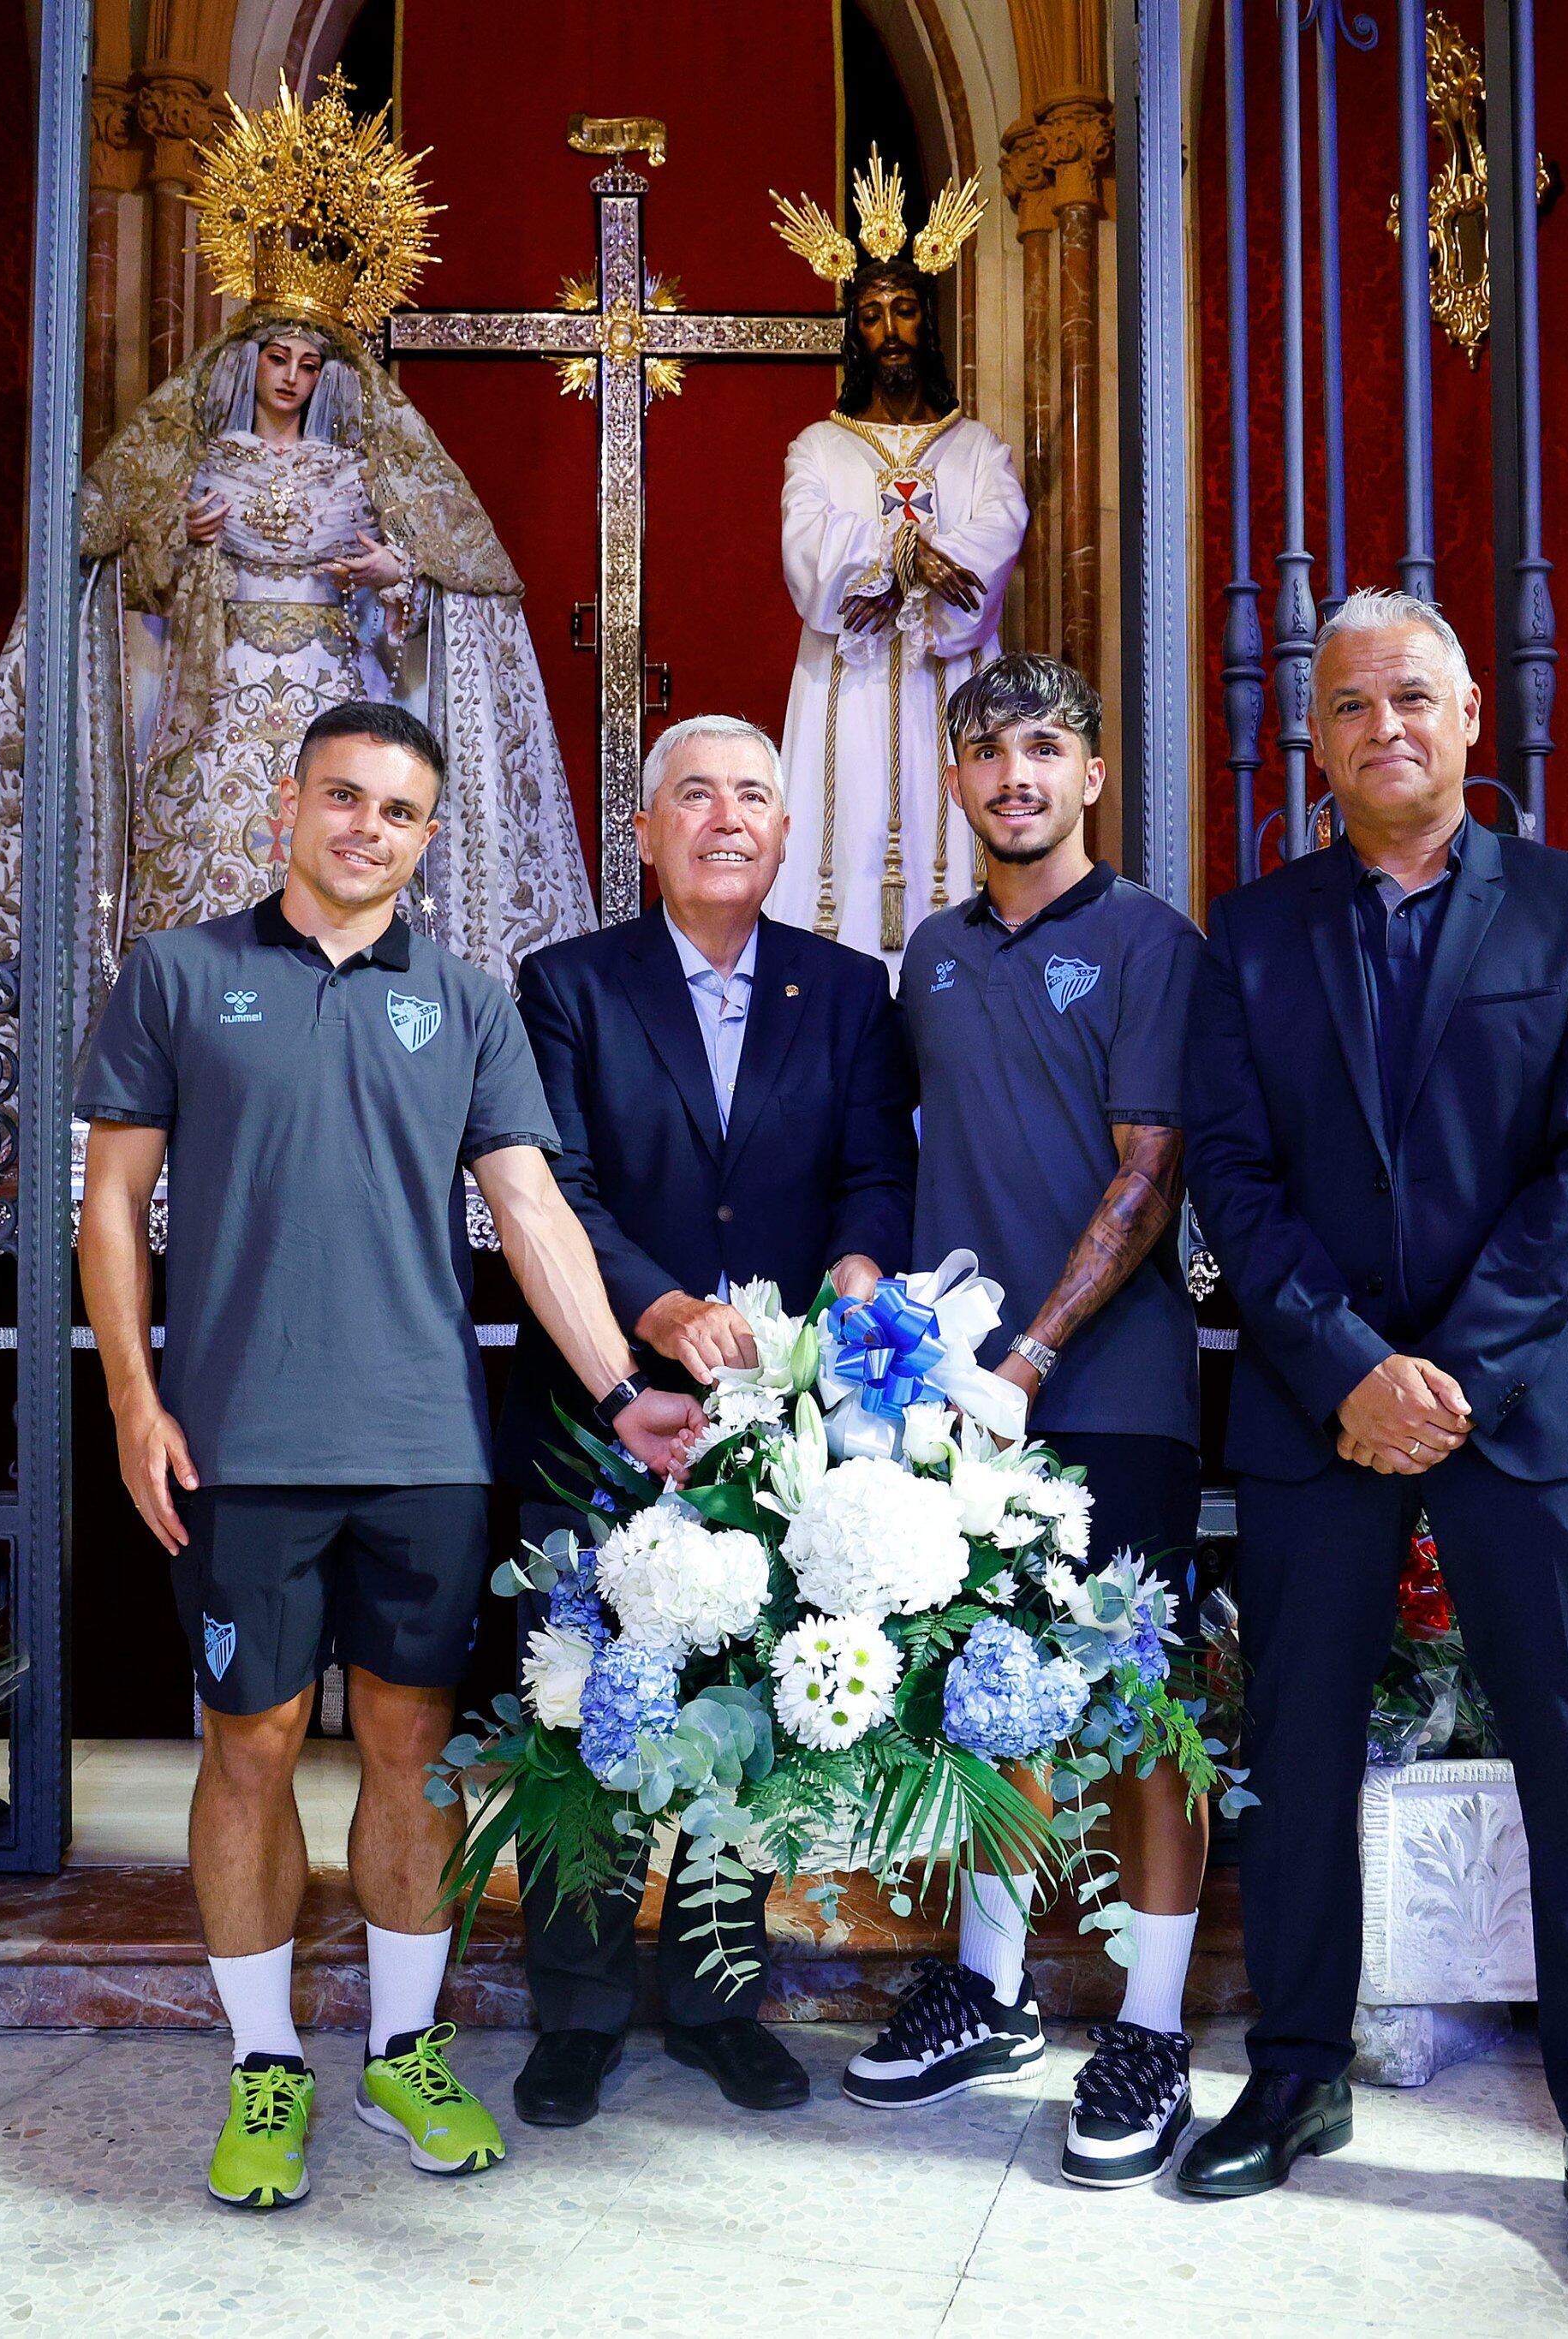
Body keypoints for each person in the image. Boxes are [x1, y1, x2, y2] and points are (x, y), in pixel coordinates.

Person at [74, 700, 703, 2214]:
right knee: (253, 1747)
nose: (368, 828)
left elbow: (534, 1213)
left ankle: (404, 2048)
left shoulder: (470, 1003)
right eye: (344, 798)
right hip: (237, 1446)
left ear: (427, 837)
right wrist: (131, 1402)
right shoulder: (179, 974)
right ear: (289, 803)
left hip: (425, 1443)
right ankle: (266, 2060)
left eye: (400, 811)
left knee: (416, 1755)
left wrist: (622, 1387)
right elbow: (110, 1208)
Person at [1177, 589, 1568, 2292]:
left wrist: (1441, 1372)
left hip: (1523, 1403)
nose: (1381, 724)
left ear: (1470, 724)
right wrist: (1345, 1372)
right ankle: (1296, 2077)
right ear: (1310, 744)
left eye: (1412, 697)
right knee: (1296, 1752)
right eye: (1346, 705)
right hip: (1319, 1412)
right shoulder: (1244, 933)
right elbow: (1229, 1180)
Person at [0, 76, 587, 1172]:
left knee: (343, 876)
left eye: (311, 362)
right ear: (245, 361)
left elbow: (441, 593)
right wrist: (174, 546)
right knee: (202, 887)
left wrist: (396, 573)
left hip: (333, 691)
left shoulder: (366, 468)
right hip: (215, 705)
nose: (293, 376)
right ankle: (169, 1111)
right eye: (276, 357)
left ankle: (344, 1107)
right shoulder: (191, 457)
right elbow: (111, 577)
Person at [498, 713, 918, 2128]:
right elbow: (548, 1185)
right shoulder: (563, 984)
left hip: (770, 1423)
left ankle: (718, 1996)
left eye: (754, 796)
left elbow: (874, 1175)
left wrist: (848, 1293)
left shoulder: (851, 991)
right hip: (600, 1403)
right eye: (695, 795)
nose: (726, 818)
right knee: (581, 1704)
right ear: (644, 829)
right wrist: (659, 1314)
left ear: (786, 832)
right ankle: (576, 2006)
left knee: (746, 1707)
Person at [840, 653, 1212, 2194]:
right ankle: (988, 1993)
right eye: (985, 753)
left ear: (1093, 775)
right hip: (958, 1406)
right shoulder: (923, 956)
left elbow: (1149, 1172)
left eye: (1045, 749)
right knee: (995, 1695)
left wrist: (1034, 1356)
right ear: (955, 779)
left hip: (1106, 1395)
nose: (1014, 777)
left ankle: (1156, 2026)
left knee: (1140, 1714)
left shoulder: (1146, 943)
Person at [764, 152, 1027, 965]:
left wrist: (898, 570)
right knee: (841, 835)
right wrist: (909, 555)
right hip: (848, 679)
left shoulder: (977, 447)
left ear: (928, 321)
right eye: (871, 315)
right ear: (855, 332)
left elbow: (1000, 532)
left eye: (904, 310)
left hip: (951, 674)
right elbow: (808, 554)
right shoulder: (817, 447)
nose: (889, 331)